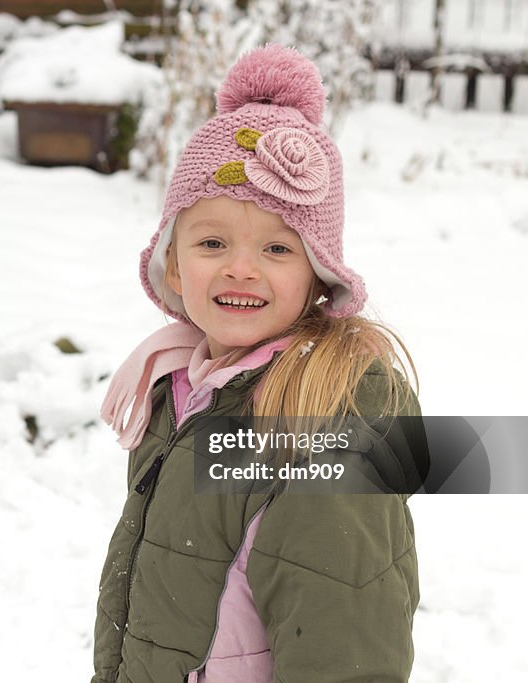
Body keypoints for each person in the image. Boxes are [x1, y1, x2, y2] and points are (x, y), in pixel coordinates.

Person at [92, 45, 426, 683]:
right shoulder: (181, 388)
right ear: (172, 263)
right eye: (212, 241)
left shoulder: (320, 434)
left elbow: (345, 646)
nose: (240, 267)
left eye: (276, 247)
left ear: (317, 276)